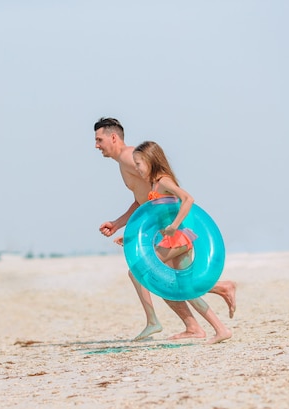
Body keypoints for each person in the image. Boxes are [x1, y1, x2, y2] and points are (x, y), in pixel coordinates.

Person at [94, 117, 235, 344]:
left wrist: (172, 226)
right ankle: (200, 323)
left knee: (146, 274)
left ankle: (155, 321)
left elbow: (170, 198)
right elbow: (143, 203)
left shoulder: (131, 159)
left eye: (99, 139)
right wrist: (123, 227)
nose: (96, 145)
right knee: (174, 284)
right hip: (165, 233)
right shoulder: (126, 164)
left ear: (113, 137)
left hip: (174, 235)